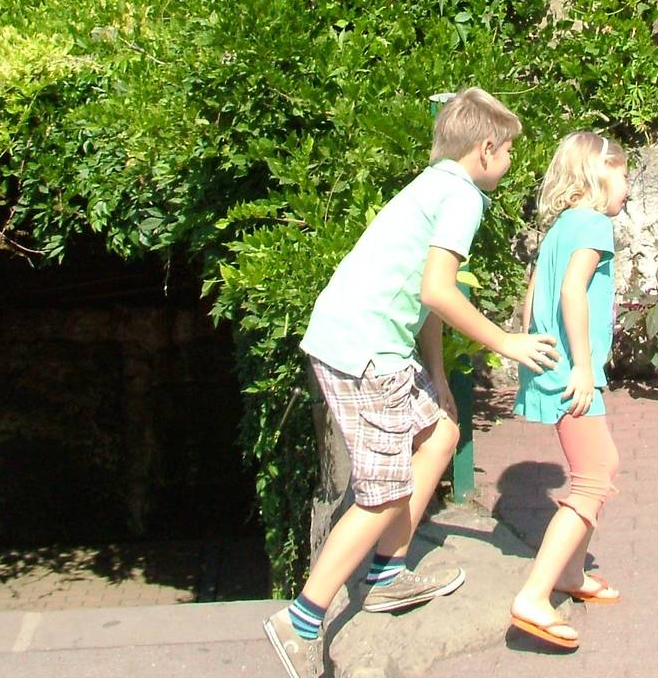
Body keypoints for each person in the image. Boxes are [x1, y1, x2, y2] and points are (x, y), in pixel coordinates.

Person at [263, 88, 559, 678]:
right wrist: (507, 342)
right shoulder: (463, 197)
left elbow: (423, 297)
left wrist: (438, 378)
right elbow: (438, 292)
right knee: (382, 492)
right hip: (364, 351)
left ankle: (386, 574)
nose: (511, 165)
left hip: (362, 341)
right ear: (486, 149)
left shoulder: (432, 183)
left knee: (441, 434)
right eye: (509, 154)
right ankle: (300, 620)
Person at [508, 132, 629, 650]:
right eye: (624, 174)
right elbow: (571, 291)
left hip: (551, 364)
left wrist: (532, 349)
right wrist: (583, 365)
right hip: (571, 370)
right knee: (593, 479)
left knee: (601, 469)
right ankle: (534, 596)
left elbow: (536, 289)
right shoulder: (594, 222)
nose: (627, 186)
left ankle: (572, 573)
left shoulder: (560, 225)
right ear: (599, 174)